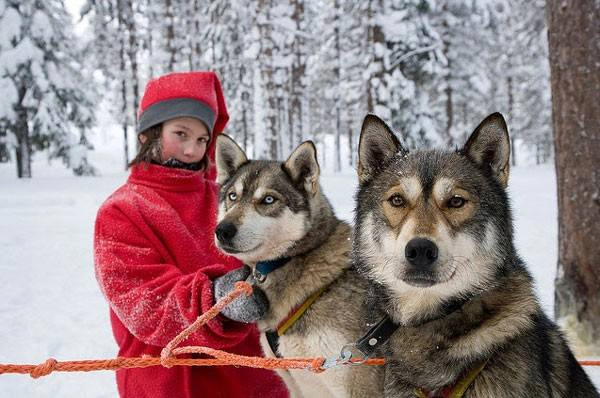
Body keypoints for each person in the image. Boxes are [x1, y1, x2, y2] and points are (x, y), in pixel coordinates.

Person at [94, 71, 288, 398]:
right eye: (180, 134)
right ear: (148, 135)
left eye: (201, 140)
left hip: (252, 378)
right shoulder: (121, 211)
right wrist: (216, 299)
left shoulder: (226, 199)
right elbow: (144, 304)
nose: (191, 150)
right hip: (171, 382)